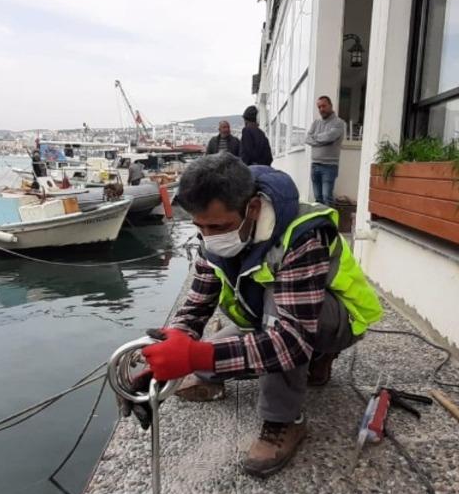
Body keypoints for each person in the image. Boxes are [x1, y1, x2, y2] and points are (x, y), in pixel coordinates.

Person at [140, 153, 383, 477]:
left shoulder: (301, 235)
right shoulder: (213, 234)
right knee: (209, 357)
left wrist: (196, 356)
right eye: (200, 227)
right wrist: (174, 342)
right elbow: (198, 302)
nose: (209, 237)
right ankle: (317, 361)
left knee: (264, 328)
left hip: (335, 320)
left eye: (218, 226)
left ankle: (285, 420)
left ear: (252, 208)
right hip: (275, 320)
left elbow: (290, 341)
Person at [304, 96, 346, 205]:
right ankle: (321, 222)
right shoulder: (316, 123)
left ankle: (329, 222)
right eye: (319, 107)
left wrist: (316, 138)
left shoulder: (339, 123)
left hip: (329, 166)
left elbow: (330, 137)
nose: (321, 109)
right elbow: (307, 139)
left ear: (330, 105)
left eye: (324, 106)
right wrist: (322, 140)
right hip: (315, 165)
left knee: (327, 198)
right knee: (318, 198)